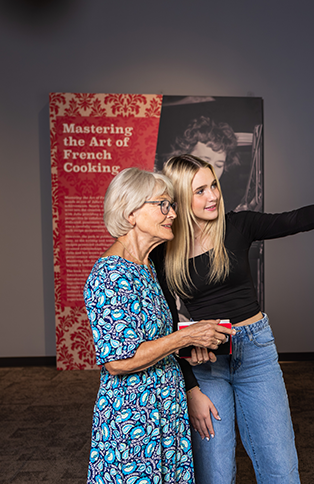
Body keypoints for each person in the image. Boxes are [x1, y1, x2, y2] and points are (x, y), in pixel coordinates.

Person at [151, 154, 314, 483]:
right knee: (215, 473)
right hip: (206, 364)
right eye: (200, 191)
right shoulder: (164, 252)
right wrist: (191, 389)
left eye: (213, 185)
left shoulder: (237, 226)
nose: (212, 196)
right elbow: (168, 325)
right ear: (181, 196)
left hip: (255, 354)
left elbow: (296, 219)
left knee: (280, 468)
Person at [84, 168, 235, 483]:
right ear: (131, 213)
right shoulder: (111, 274)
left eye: (172, 206)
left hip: (164, 413)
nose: (173, 214)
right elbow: (118, 361)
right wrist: (186, 337)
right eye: (163, 205)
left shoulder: (145, 266)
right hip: (133, 422)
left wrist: (190, 344)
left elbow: (153, 340)